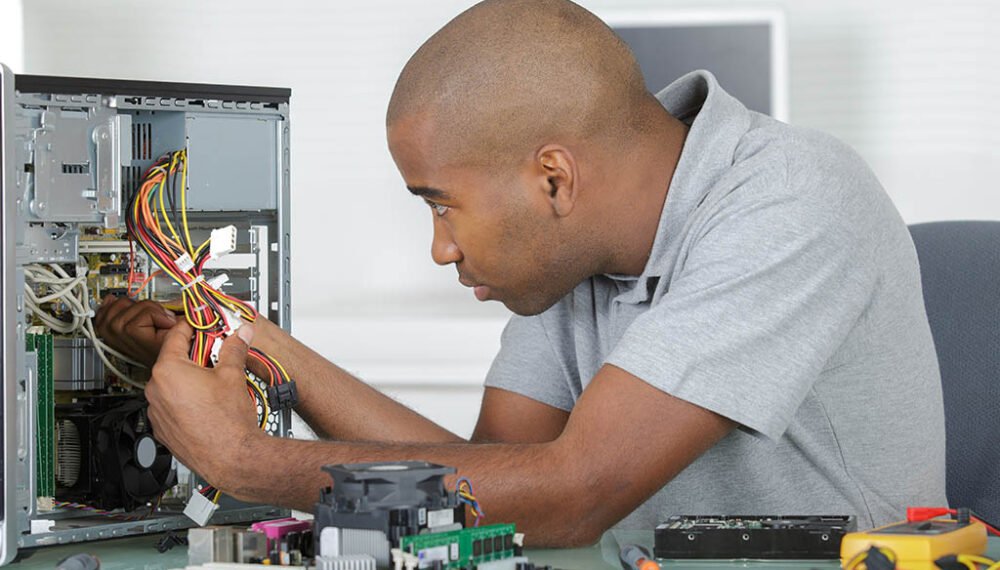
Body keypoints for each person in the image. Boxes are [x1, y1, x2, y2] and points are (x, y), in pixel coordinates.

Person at [95, 0, 947, 547]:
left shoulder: (791, 199)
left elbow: (571, 496)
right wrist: (250, 339)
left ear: (553, 179)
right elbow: (497, 479)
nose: (440, 247)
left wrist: (246, 461)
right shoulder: (574, 250)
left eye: (441, 204)